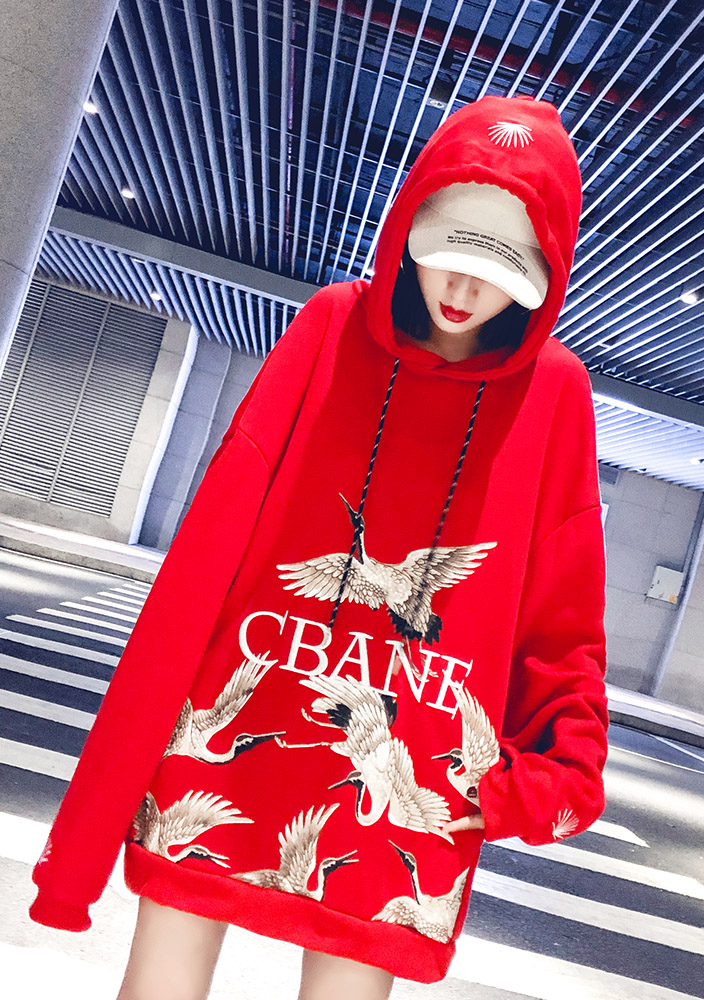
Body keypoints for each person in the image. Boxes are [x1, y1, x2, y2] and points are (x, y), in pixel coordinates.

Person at [29, 95, 608, 999]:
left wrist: (549, 782)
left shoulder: (555, 392)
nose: (461, 291)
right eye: (447, 252)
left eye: (497, 271)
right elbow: (206, 558)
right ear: (410, 229)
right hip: (235, 730)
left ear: (544, 272)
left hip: (404, 784)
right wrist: (80, 850)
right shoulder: (333, 326)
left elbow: (562, 607)